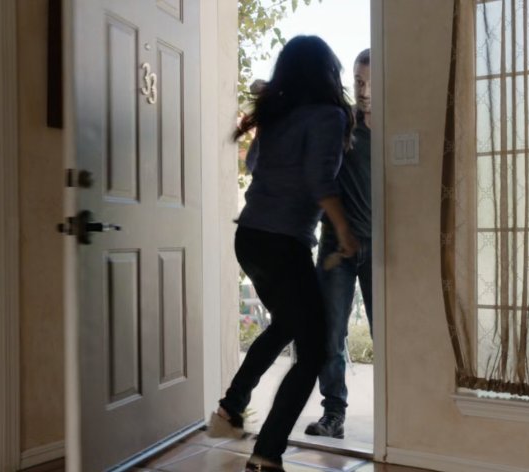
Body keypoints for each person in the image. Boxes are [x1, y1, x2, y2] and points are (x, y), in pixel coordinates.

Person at [209, 36, 359, 472]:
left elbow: (254, 164)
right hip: (281, 241)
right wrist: (345, 231)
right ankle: (267, 455)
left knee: (287, 326)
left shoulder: (277, 115)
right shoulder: (331, 115)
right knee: (312, 351)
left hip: (251, 238)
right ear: (327, 71)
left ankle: (232, 407)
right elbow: (319, 181)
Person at [305, 48, 372, 440]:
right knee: (331, 332)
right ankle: (333, 413)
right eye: (358, 82)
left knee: (389, 331)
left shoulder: (397, 124)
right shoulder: (342, 123)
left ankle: (399, 417)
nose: (362, 91)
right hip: (336, 246)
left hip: (380, 246)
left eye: (369, 83)